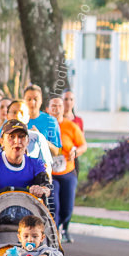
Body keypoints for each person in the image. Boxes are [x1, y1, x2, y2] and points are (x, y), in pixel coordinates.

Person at [0, 120, 51, 204]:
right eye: (11, 137)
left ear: (28, 141)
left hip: (27, 214)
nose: (17, 141)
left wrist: (41, 190)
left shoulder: (36, 164)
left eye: (21, 136)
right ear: (2, 141)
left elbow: (47, 188)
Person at [47, 97, 87, 242]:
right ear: (48, 109)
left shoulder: (70, 126)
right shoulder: (44, 126)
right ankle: (54, 233)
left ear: (63, 109)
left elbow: (83, 145)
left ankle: (63, 228)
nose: (56, 108)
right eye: (53, 106)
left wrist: (75, 151)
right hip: (50, 174)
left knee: (67, 208)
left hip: (68, 172)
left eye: (59, 106)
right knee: (54, 206)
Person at [0, 100, 53, 175]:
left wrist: (43, 185)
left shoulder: (38, 138)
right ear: (7, 116)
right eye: (14, 112)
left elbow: (46, 168)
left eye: (21, 112)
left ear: (28, 117)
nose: (18, 115)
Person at [23, 85, 62, 157]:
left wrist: (40, 138)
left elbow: (57, 152)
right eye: (29, 99)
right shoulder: (16, 119)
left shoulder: (51, 121)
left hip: (43, 166)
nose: (32, 102)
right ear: (23, 101)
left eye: (36, 99)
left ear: (41, 101)